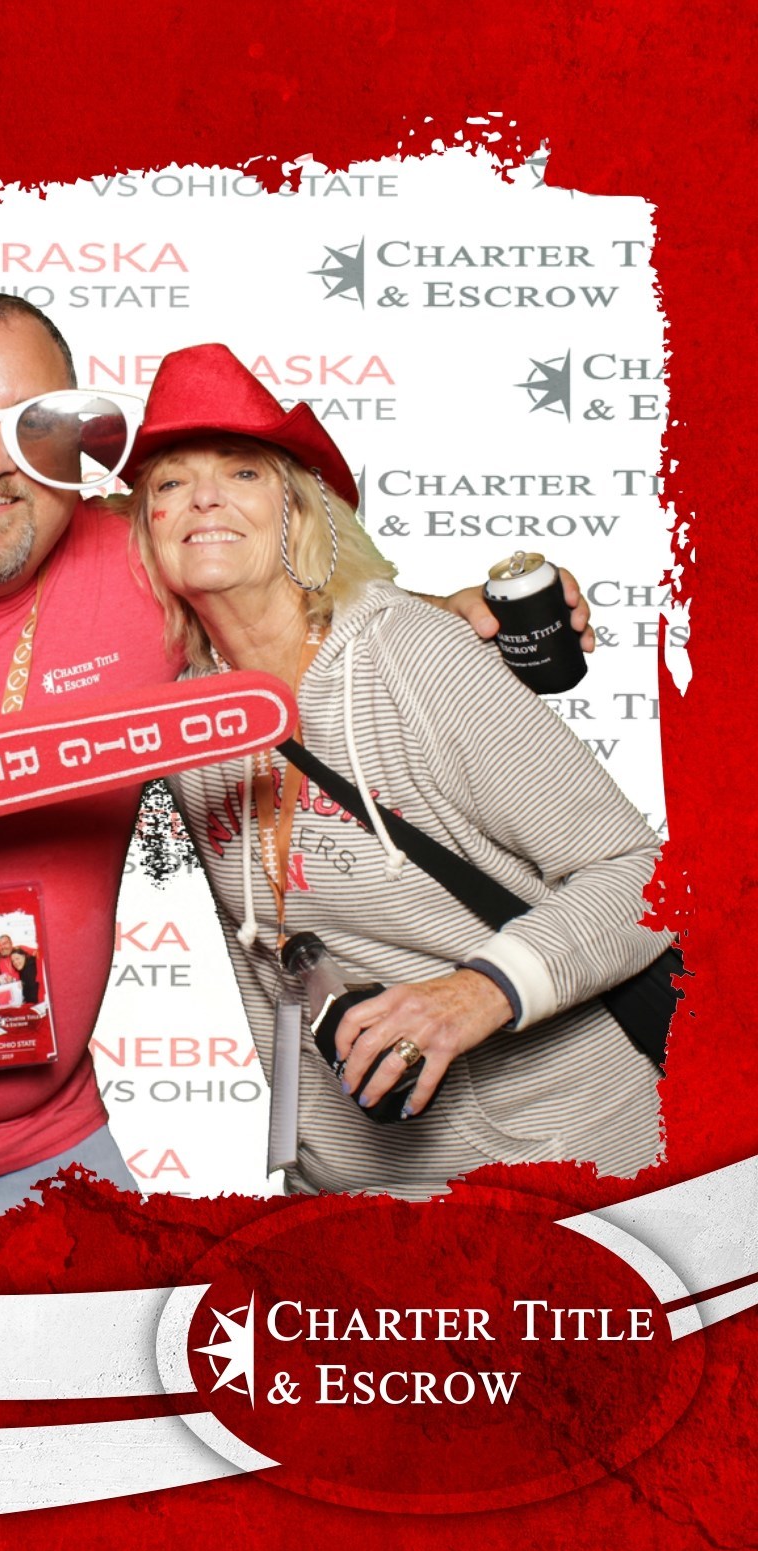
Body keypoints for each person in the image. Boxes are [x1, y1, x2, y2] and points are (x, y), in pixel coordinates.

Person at [0, 293, 589, 1213]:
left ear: (78, 448)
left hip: (52, 1139)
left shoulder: (140, 567)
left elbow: (276, 597)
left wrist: (439, 611)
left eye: (34, 429)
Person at [121, 343, 667, 1198]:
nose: (204, 497)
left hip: (559, 1165)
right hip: (347, 1191)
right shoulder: (180, 712)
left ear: (301, 513)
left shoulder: (412, 656)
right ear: (145, 529)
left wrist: (478, 992)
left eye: (243, 472)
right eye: (169, 482)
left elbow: (644, 876)